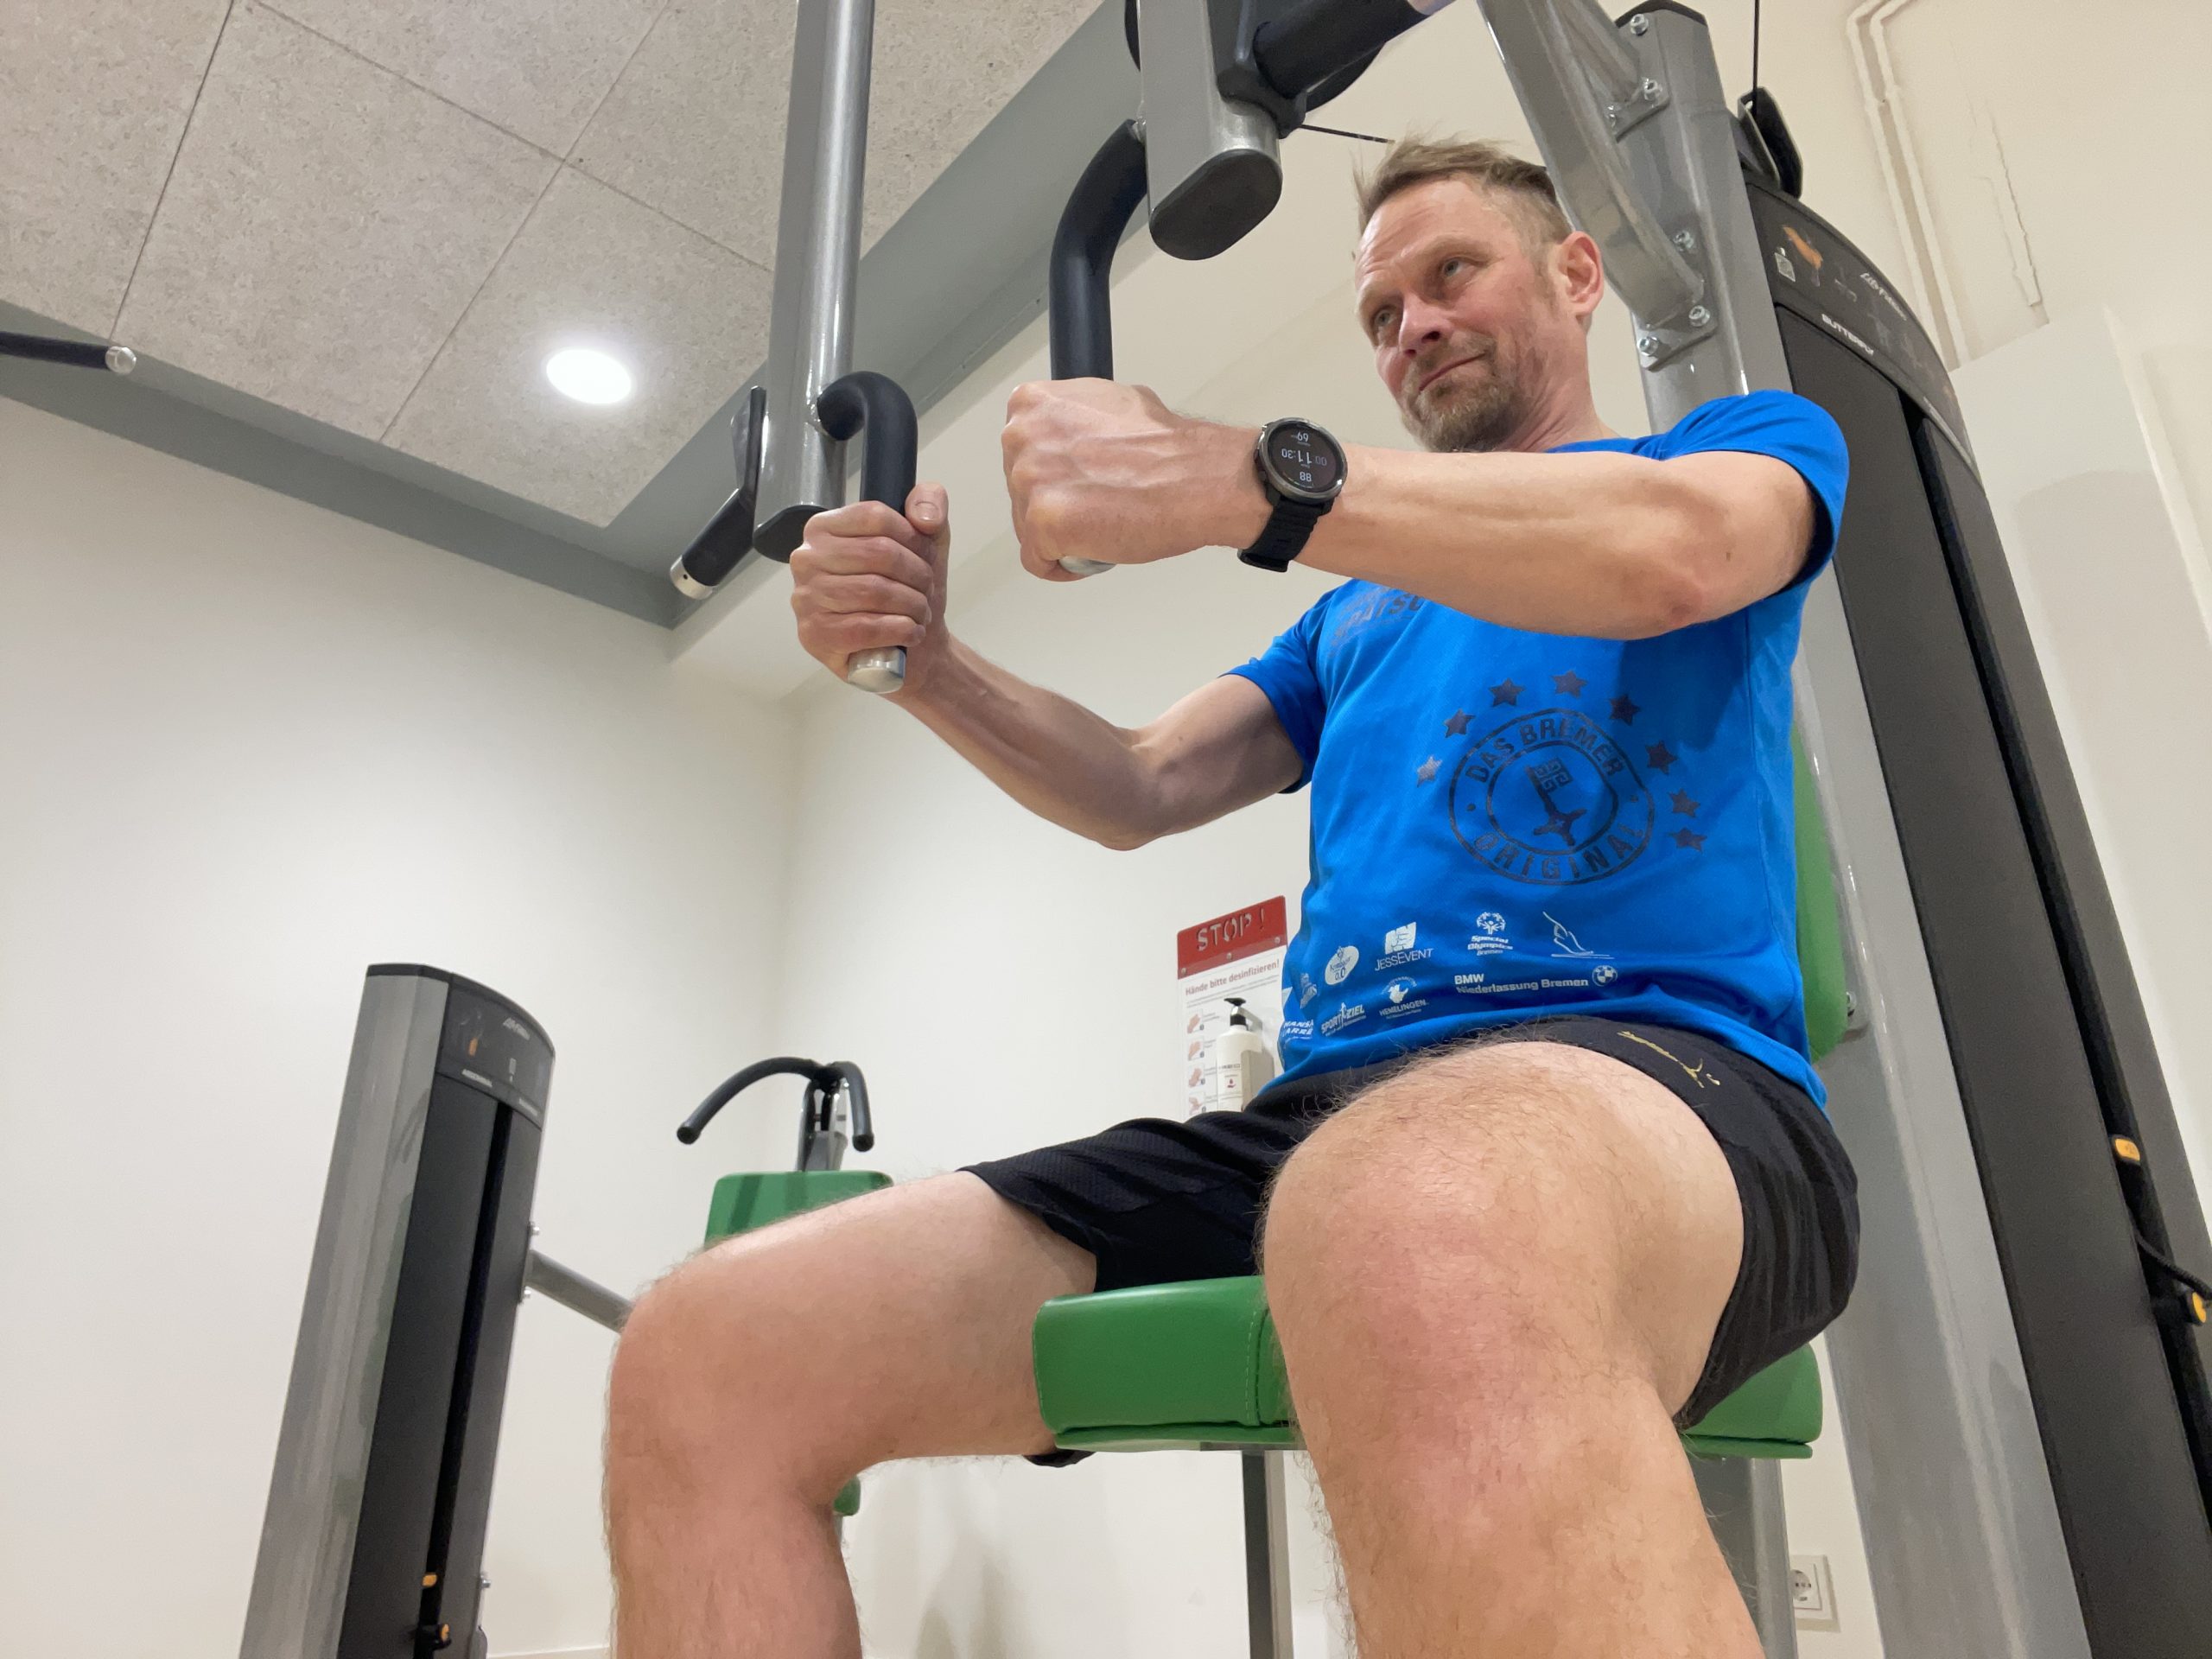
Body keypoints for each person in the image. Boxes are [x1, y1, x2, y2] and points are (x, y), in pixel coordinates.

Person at [606, 137, 1859, 1658]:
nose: (1414, 326)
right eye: (1382, 313)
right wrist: (931, 667)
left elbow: (1677, 559)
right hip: (1320, 1136)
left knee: (1411, 1205)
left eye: (1451, 274)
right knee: (710, 1347)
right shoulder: (1353, 616)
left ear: (1577, 274)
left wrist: (1249, 478)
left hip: (1671, 1088)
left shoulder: (1735, 445)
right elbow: (1142, 782)